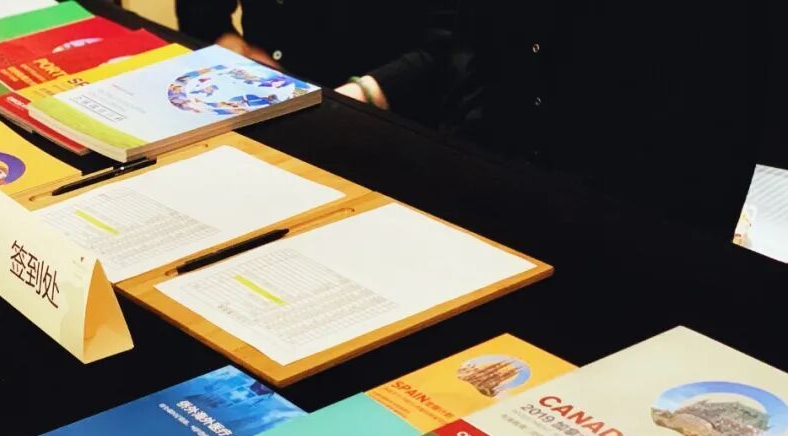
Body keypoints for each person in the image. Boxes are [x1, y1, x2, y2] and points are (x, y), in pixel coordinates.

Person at [334, 0, 782, 231]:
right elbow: (462, 45)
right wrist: (363, 94)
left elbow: (702, 159)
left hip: (619, 244)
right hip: (478, 204)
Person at [175, 0, 453, 91]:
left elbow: (451, 43)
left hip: (380, 107)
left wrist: (365, 92)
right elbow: (200, 11)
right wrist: (227, 41)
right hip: (258, 90)